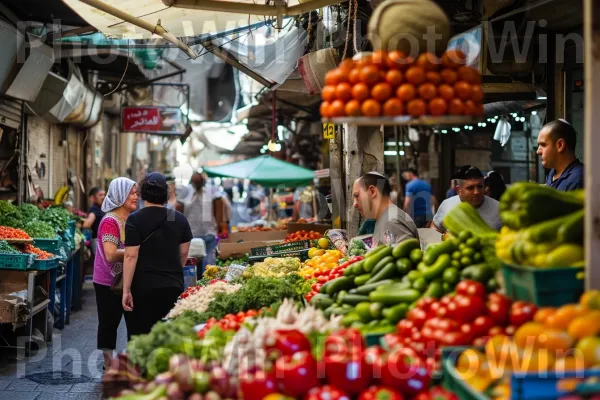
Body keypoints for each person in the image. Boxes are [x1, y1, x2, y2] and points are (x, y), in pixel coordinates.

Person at [122, 173, 192, 338]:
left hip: (142, 288)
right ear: (165, 194)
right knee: (167, 336)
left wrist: (126, 290)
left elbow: (130, 256)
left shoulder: (134, 219)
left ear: (143, 193)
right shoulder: (179, 218)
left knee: (141, 336)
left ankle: (142, 363)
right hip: (172, 286)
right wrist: (173, 271)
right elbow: (183, 253)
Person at [93, 178, 137, 370]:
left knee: (133, 322)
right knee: (109, 323)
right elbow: (110, 254)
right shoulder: (110, 221)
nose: (136, 196)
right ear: (120, 195)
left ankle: (130, 362)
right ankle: (108, 364)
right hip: (107, 281)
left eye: (136, 192)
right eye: (132, 193)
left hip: (126, 279)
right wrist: (135, 253)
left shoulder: (132, 219)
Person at [352, 172, 419, 247]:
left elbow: (405, 257)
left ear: (372, 191)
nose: (355, 204)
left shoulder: (393, 221)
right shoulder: (384, 218)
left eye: (357, 196)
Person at [180, 173, 228, 276]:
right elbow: (179, 208)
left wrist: (221, 226)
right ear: (192, 183)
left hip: (209, 233)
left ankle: (208, 284)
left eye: (199, 182)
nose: (197, 184)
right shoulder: (186, 192)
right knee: (192, 266)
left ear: (203, 182)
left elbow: (219, 207)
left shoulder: (212, 191)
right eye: (195, 182)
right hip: (192, 235)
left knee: (209, 264)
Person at [433, 166, 502, 232]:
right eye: (470, 188)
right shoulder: (447, 204)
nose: (476, 192)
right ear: (458, 190)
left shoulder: (499, 209)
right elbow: (435, 227)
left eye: (479, 186)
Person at [537, 119, 584, 191]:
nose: (538, 152)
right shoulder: (553, 172)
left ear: (560, 145)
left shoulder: (578, 179)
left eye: (543, 145)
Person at [83, 187, 106, 254]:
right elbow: (87, 224)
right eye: (100, 195)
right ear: (92, 198)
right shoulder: (94, 209)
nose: (103, 197)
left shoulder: (100, 208)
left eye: (104, 194)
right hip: (98, 243)